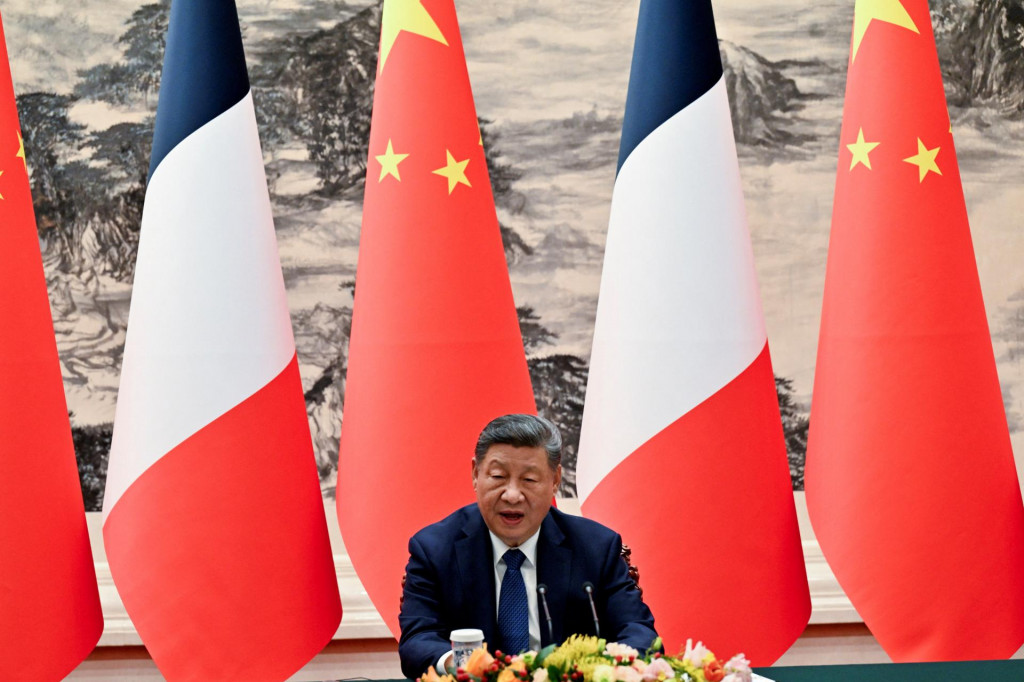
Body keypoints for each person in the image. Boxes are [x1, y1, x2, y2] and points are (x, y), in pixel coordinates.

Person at [398, 414, 658, 678]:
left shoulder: (597, 548)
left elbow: (639, 633)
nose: (512, 495)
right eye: (498, 476)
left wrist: (599, 670)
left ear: (555, 480)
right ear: (476, 474)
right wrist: (462, 665)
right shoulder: (434, 549)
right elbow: (418, 640)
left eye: (529, 479)